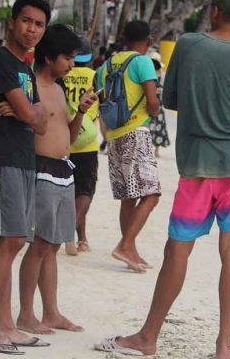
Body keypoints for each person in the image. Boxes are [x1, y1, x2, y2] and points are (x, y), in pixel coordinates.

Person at [95, 0, 230, 359]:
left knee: (177, 252)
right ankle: (223, 346)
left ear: (213, 12)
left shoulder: (187, 44)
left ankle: (148, 336)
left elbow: (169, 101)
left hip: (198, 165)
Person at [0, 0, 50, 354]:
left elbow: (40, 125)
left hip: (23, 159)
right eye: (26, 21)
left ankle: (6, 323)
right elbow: (29, 114)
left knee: (17, 240)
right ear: (12, 22)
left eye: (38, 24)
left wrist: (30, 111)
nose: (31, 29)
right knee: (10, 240)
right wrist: (29, 111)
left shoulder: (27, 69)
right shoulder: (0, 62)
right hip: (0, 157)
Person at [17, 24, 96, 335]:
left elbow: (71, 136)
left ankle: (51, 312)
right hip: (41, 171)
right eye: (68, 57)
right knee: (38, 245)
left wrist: (81, 112)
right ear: (49, 57)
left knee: (51, 246)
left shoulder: (60, 90)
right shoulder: (31, 86)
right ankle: (26, 313)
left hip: (64, 170)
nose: (72, 64)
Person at [96, 20, 161, 273]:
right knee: (151, 195)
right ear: (147, 41)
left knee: (128, 198)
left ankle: (130, 250)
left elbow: (103, 101)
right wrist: (153, 109)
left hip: (114, 135)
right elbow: (153, 103)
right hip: (136, 133)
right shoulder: (142, 62)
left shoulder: (104, 66)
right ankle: (126, 245)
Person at [62, 38, 100, 254]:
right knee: (85, 191)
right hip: (87, 142)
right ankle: (70, 233)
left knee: (70, 190)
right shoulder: (94, 76)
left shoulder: (62, 76)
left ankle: (82, 238)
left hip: (65, 138)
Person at [148, 50, 170, 157]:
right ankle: (151, 148)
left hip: (159, 103)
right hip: (151, 101)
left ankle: (156, 149)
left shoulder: (160, 72)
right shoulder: (148, 72)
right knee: (151, 125)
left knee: (158, 126)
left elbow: (163, 86)